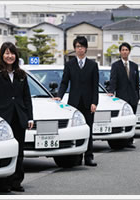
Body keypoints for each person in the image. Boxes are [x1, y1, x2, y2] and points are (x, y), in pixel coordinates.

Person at [0, 42, 34, 192]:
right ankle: (4, 182)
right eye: (6, 53)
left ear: (16, 56)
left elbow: (26, 98)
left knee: (19, 150)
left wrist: (30, 117)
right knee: (4, 150)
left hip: (20, 117)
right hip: (4, 118)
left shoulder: (21, 74)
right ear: (2, 55)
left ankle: (16, 181)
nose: (9, 56)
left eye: (12, 53)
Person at [53, 36, 99, 167]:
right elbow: (64, 82)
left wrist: (95, 102)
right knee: (75, 130)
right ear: (74, 49)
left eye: (82, 47)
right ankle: (76, 157)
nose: (80, 49)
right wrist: (59, 96)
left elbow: (95, 86)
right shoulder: (69, 64)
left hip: (88, 102)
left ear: (86, 49)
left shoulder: (92, 65)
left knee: (89, 130)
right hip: (73, 102)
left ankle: (89, 157)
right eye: (78, 47)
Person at [107, 42, 140, 148]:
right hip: (122, 97)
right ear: (120, 52)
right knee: (123, 119)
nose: (125, 52)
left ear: (129, 51)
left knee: (132, 119)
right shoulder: (115, 65)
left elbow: (136, 83)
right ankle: (123, 141)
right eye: (123, 50)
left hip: (133, 97)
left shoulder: (134, 66)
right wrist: (111, 92)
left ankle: (130, 140)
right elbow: (113, 80)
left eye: (126, 50)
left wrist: (137, 96)